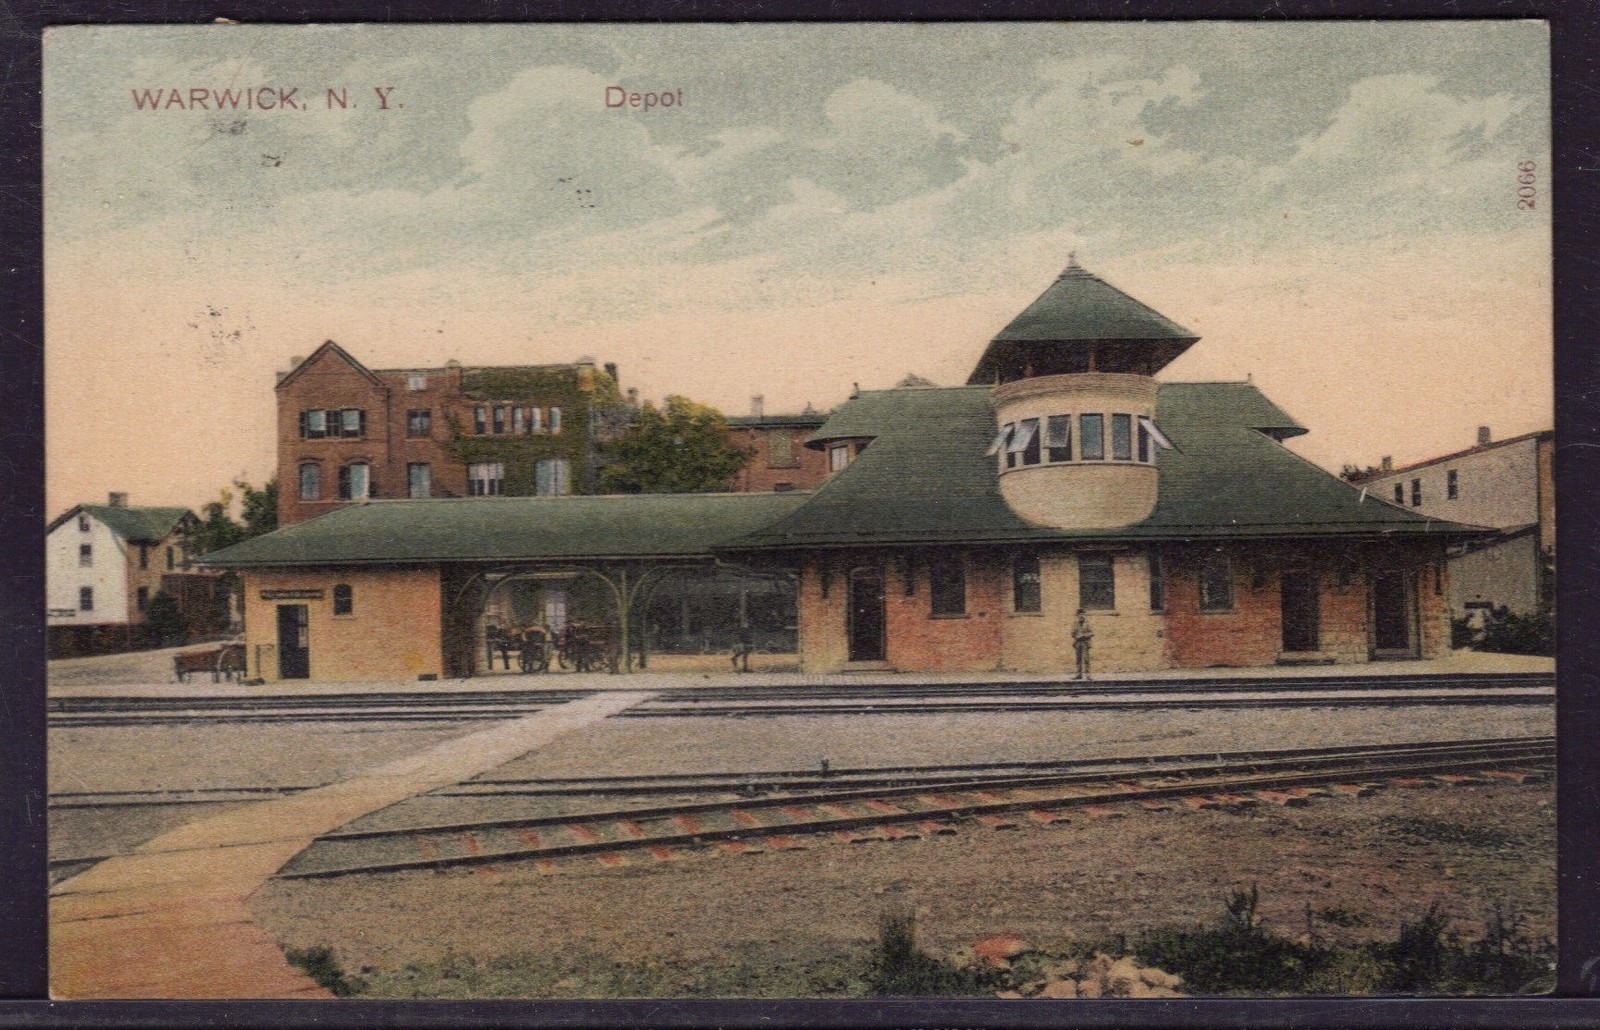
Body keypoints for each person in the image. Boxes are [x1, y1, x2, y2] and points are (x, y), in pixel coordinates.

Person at [1071, 609, 1094, 681]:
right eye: (1080, 614)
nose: (1081, 616)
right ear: (1077, 616)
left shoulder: (1088, 623)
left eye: (1083, 614)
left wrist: (1084, 635)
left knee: (1086, 659)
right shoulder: (1075, 624)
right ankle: (1079, 674)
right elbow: (1072, 633)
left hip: (1085, 643)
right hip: (1077, 643)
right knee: (1078, 659)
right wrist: (1076, 636)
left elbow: (1092, 633)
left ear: (1085, 615)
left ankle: (1088, 674)